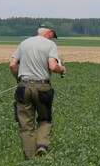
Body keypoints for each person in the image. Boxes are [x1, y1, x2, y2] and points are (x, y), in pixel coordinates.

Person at [9, 22, 66, 158]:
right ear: (50, 32)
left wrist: (18, 80)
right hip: (42, 87)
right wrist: (62, 69)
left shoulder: (24, 43)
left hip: (23, 87)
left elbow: (12, 64)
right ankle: (41, 145)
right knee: (45, 119)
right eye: (53, 35)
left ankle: (30, 157)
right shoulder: (50, 45)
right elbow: (53, 66)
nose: (52, 38)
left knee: (26, 125)